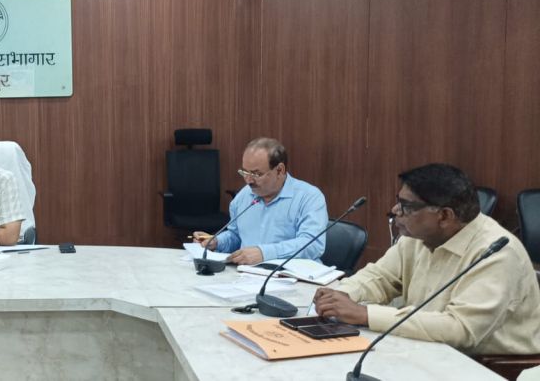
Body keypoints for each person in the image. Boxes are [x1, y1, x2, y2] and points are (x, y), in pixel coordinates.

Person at [314, 163, 540, 355]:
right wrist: (343, 295)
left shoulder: (497, 252)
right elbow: (381, 277)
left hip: (489, 367)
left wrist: (365, 314)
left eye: (407, 206)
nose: (395, 210)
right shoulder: (419, 236)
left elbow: (460, 329)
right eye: (398, 201)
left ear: (444, 216)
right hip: (428, 349)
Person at [193, 137, 327, 265]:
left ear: (279, 170)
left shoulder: (309, 197)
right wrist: (216, 241)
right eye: (245, 172)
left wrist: (264, 253)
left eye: (256, 174)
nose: (248, 180)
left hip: (291, 275)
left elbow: (312, 245)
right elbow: (236, 236)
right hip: (248, 274)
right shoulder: (243, 196)